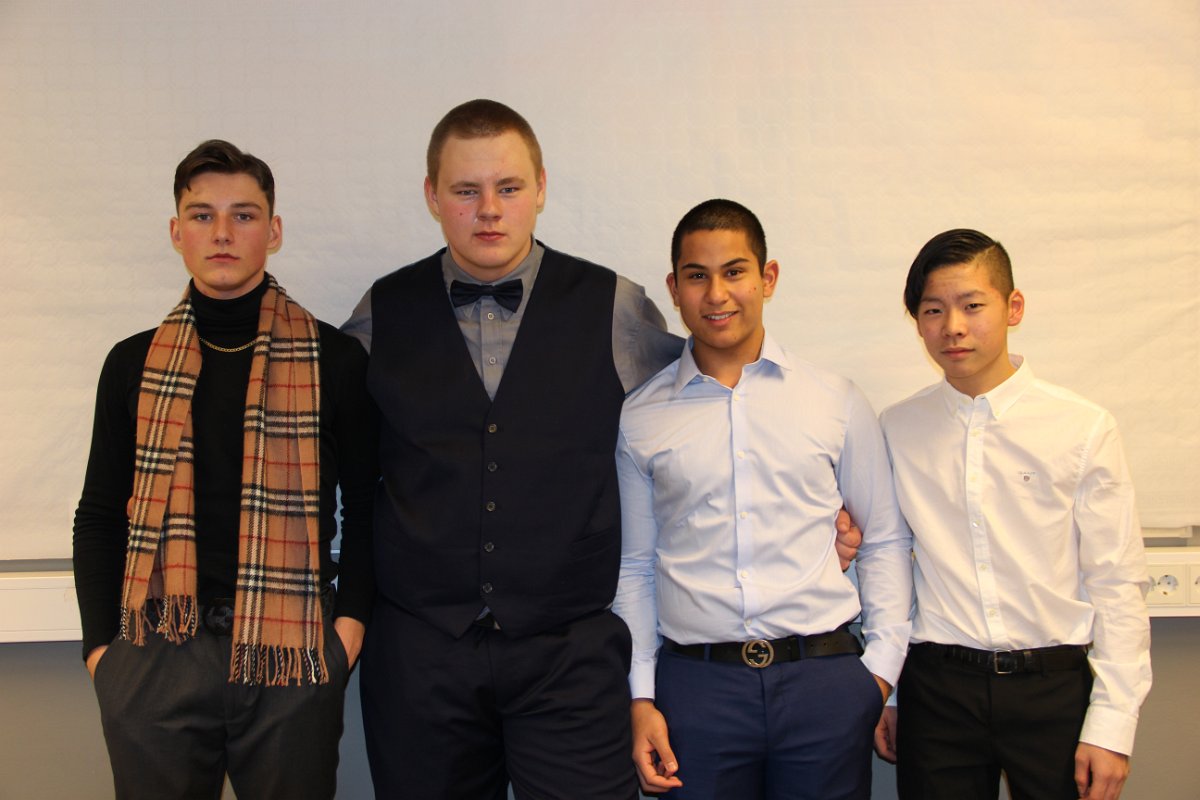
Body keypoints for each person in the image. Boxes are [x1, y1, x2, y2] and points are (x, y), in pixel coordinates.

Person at [344, 101, 863, 799]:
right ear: (433, 196)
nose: (489, 210)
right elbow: (328, 454)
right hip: (420, 655)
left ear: (541, 188)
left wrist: (800, 516)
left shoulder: (615, 305)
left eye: (508, 187)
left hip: (572, 656)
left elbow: (707, 410)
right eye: (466, 190)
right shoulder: (382, 311)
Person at [72, 139, 377, 799]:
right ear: (176, 232)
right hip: (157, 648)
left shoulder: (335, 360)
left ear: (274, 231)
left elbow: (367, 507)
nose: (222, 233)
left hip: (292, 650)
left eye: (243, 215)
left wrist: (346, 633)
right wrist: (103, 654)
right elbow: (98, 515)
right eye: (202, 215)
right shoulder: (131, 364)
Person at [611, 199, 913, 799]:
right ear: (674, 289)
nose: (716, 294)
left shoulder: (834, 400)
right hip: (696, 690)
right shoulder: (641, 416)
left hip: (823, 682)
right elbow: (635, 567)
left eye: (735, 272)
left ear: (767, 278)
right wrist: (640, 696)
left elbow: (883, 540)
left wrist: (879, 674)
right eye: (697, 276)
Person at [875, 229, 1152, 800]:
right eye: (933, 310)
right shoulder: (896, 429)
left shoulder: (1082, 427)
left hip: (1052, 687)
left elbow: (1116, 580)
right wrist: (892, 692)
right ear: (918, 322)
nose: (953, 327)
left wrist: (1113, 725)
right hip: (937, 687)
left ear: (1013, 307)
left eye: (972, 305)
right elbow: (892, 568)